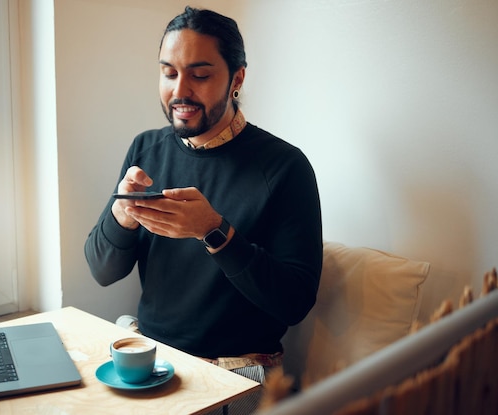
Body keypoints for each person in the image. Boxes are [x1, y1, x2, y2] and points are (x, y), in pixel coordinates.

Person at [85, 5, 322, 402]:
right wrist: (120, 216)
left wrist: (213, 231)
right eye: (169, 73)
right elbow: (102, 270)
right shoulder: (147, 148)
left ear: (236, 78)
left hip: (238, 371)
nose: (179, 91)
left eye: (199, 75)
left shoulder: (285, 167)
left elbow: (294, 302)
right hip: (152, 361)